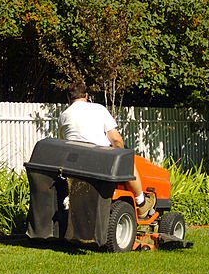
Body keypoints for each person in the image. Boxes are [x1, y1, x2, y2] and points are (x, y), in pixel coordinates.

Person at [58, 83, 156, 218]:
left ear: (68, 99)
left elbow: (65, 142)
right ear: (86, 96)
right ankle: (141, 203)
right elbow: (115, 140)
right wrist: (121, 152)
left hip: (75, 165)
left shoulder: (63, 116)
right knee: (127, 162)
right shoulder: (99, 109)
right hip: (99, 161)